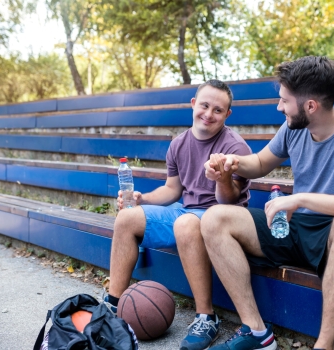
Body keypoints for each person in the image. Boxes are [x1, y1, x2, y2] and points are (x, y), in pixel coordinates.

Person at [201, 56, 334, 350]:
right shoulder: (294, 127)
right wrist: (232, 162)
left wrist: (300, 198)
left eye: (284, 101)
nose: (279, 107)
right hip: (293, 229)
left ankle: (324, 345)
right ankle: (256, 332)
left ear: (310, 106)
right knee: (214, 218)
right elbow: (261, 162)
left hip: (333, 234)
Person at [105, 79, 252, 350]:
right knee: (126, 217)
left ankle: (206, 317)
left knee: (186, 223)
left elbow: (231, 200)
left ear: (227, 115)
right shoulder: (178, 144)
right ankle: (112, 307)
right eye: (204, 105)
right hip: (185, 209)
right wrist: (141, 199)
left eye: (218, 110)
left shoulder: (235, 148)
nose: (209, 114)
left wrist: (221, 178)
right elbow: (172, 190)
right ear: (193, 104)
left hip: (219, 216)